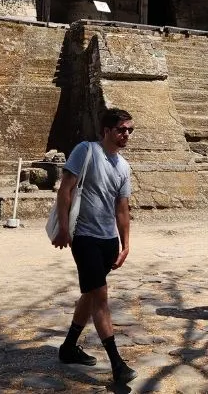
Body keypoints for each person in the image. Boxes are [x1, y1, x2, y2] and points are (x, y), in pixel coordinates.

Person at [52, 108, 137, 386]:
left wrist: (125, 244)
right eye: (122, 130)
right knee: (100, 296)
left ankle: (68, 348)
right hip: (85, 238)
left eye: (129, 130)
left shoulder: (123, 167)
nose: (126, 135)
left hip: (108, 242)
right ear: (107, 131)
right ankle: (117, 364)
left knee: (90, 293)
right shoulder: (85, 151)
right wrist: (65, 229)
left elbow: (122, 208)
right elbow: (65, 190)